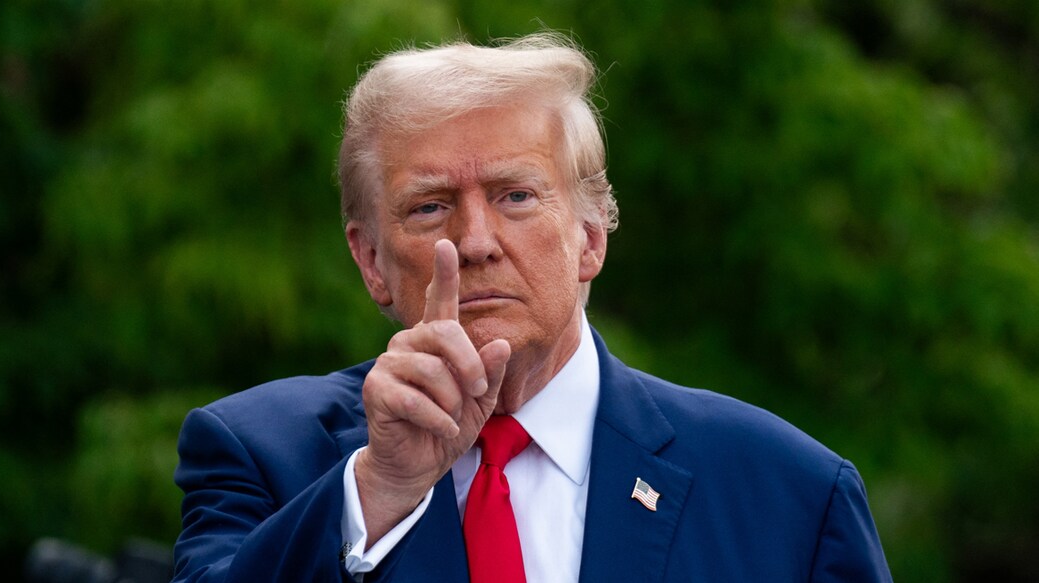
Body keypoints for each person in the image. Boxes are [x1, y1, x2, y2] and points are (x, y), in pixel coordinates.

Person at [170, 32, 892, 582]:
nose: (476, 240)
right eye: (429, 207)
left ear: (588, 235)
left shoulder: (786, 493)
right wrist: (381, 488)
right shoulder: (257, 454)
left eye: (515, 195)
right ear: (370, 261)